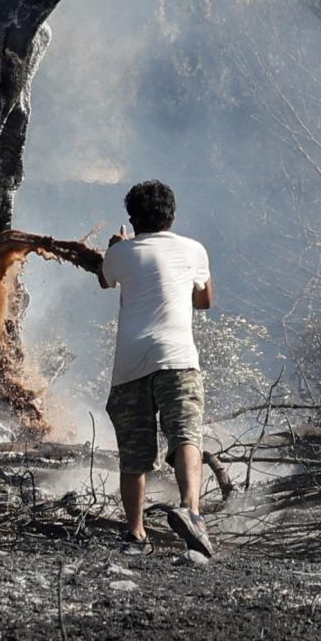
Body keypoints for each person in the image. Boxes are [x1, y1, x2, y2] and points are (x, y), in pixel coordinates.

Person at [100, 179, 214, 558]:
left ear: (132, 219)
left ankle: (135, 534)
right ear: (173, 215)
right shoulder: (194, 250)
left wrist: (116, 248)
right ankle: (191, 510)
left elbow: (105, 279)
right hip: (178, 358)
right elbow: (205, 301)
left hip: (131, 363)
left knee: (134, 452)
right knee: (185, 434)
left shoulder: (121, 253)